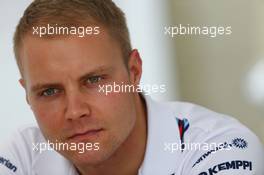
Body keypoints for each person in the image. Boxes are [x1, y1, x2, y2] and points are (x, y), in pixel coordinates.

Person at [1, 0, 263, 175]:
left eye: (94, 80)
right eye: (49, 91)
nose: (75, 110)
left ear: (134, 71)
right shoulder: (23, 155)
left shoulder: (220, 148)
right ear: (27, 94)